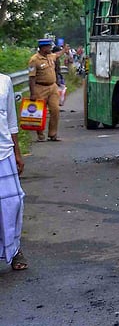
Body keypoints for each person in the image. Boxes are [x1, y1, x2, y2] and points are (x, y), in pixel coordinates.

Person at [0, 72, 27, 270]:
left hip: (4, 151)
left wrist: (17, 153)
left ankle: (14, 248)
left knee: (13, 202)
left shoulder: (4, 81)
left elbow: (11, 121)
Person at [27, 37, 64, 142]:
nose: (50, 48)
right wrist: (32, 93)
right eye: (48, 47)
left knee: (55, 110)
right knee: (40, 112)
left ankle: (53, 134)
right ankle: (40, 135)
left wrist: (64, 50)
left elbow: (57, 55)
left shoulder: (50, 56)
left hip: (52, 87)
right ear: (43, 48)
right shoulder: (34, 60)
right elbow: (32, 77)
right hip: (40, 87)